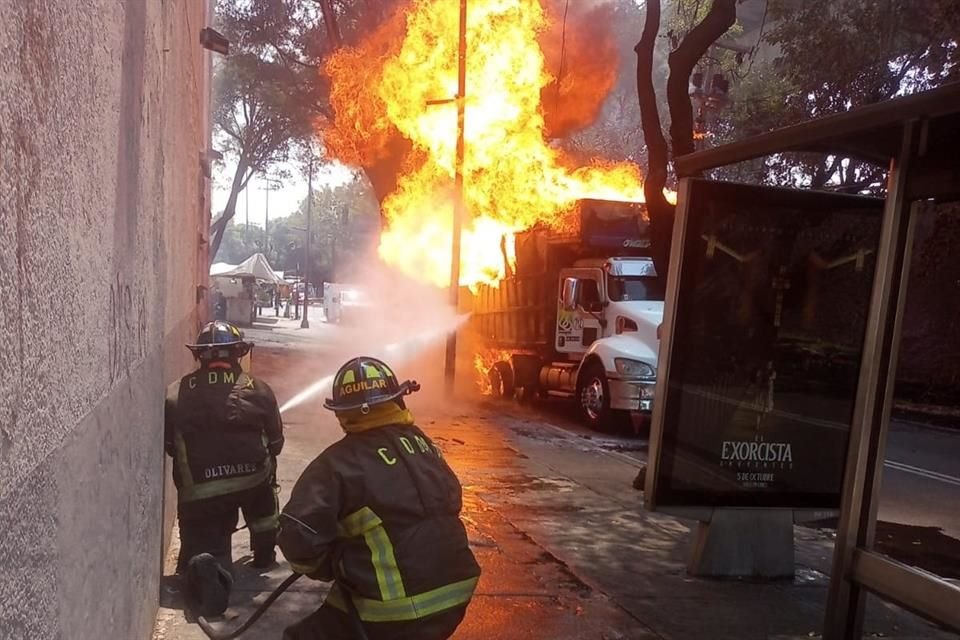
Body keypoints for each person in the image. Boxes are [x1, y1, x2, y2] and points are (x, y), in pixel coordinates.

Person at [278, 356, 480, 640]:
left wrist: (331, 564)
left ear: (343, 413)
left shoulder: (336, 464)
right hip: (456, 596)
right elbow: (451, 500)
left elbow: (297, 536)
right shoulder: (426, 446)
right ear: (396, 400)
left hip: (394, 611)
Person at [164, 321, 285, 615]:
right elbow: (277, 443)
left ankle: (204, 562)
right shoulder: (259, 388)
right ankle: (265, 552)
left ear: (200, 356)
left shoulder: (175, 392)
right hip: (252, 482)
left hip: (200, 491)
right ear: (237, 353)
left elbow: (170, 446)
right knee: (265, 495)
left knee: (201, 537)